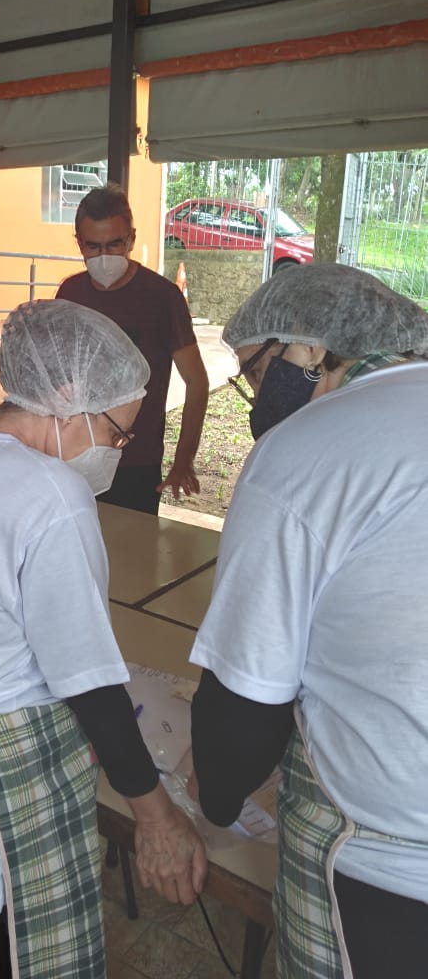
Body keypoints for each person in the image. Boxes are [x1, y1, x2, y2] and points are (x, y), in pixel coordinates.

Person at [0, 299, 207, 979]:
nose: (115, 453)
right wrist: (157, 816)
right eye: (115, 433)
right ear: (64, 395)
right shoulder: (50, 493)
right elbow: (89, 681)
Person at [188, 264, 428, 979]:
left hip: (387, 857)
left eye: (257, 369)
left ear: (309, 350)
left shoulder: (304, 451)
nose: (256, 394)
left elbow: (246, 691)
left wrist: (218, 794)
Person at [56, 183, 209, 514]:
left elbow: (197, 382)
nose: (105, 256)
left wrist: (183, 461)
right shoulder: (70, 293)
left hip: (136, 463)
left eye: (115, 244)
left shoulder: (162, 297)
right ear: (79, 243)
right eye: (93, 247)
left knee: (133, 557)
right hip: (74, 454)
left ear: (132, 239)